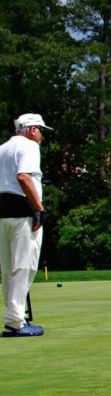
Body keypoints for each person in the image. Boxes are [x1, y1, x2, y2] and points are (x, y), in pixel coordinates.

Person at [0, 114, 50, 338]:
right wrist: (38, 207)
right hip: (23, 211)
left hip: (2, 213)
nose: (41, 135)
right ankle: (16, 321)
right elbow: (23, 176)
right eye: (40, 130)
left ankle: (14, 318)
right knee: (24, 266)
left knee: (8, 268)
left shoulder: (2, 149)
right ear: (30, 130)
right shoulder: (29, 146)